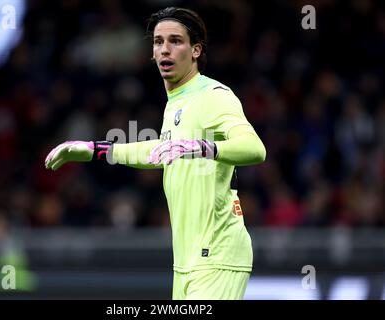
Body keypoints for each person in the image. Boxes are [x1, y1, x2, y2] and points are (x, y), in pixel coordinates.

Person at [45, 7, 266, 300]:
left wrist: (203, 147)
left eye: (176, 41)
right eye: (159, 42)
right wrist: (95, 150)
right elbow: (158, 150)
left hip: (218, 254)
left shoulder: (213, 96)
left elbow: (255, 148)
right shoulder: (175, 102)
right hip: (187, 262)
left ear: (196, 50)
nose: (165, 49)